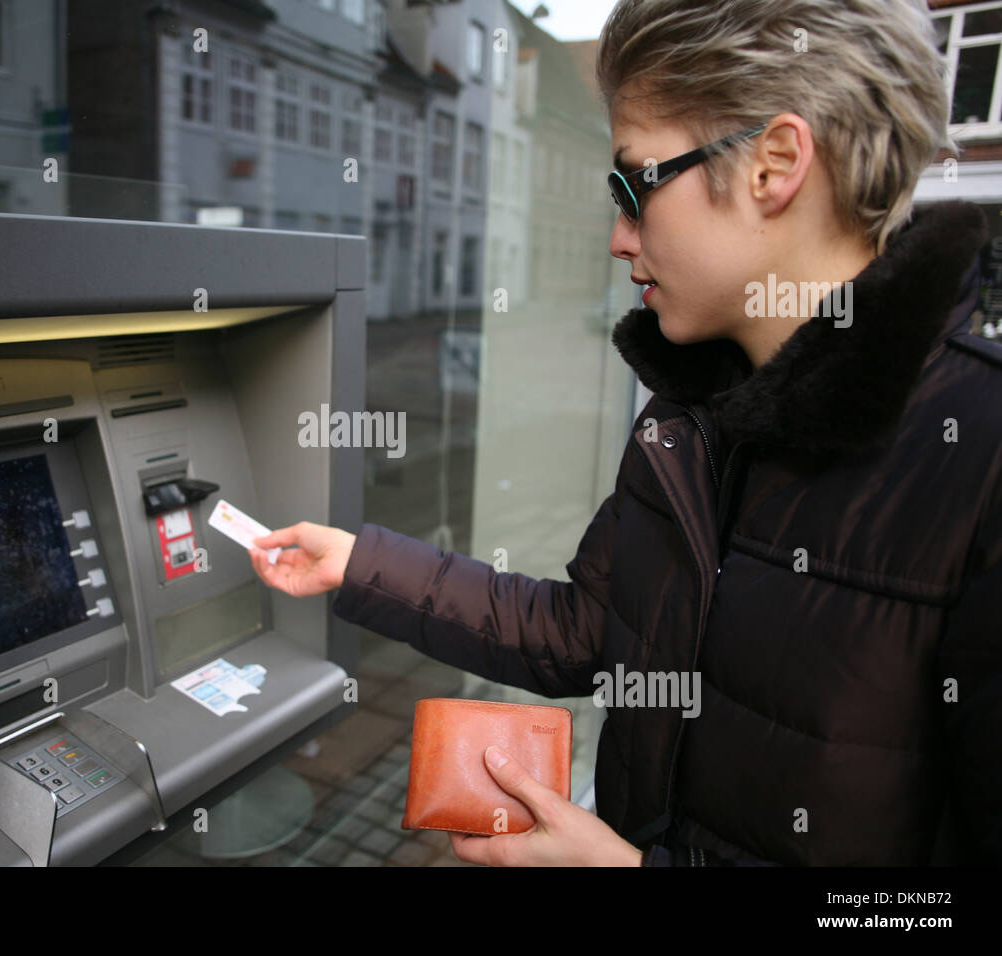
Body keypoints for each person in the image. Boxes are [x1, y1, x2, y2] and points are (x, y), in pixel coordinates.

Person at [248, 0, 1002, 866]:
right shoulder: (694, 414)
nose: (616, 236)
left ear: (775, 164)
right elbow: (585, 631)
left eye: (635, 185)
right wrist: (361, 563)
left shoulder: (980, 454)